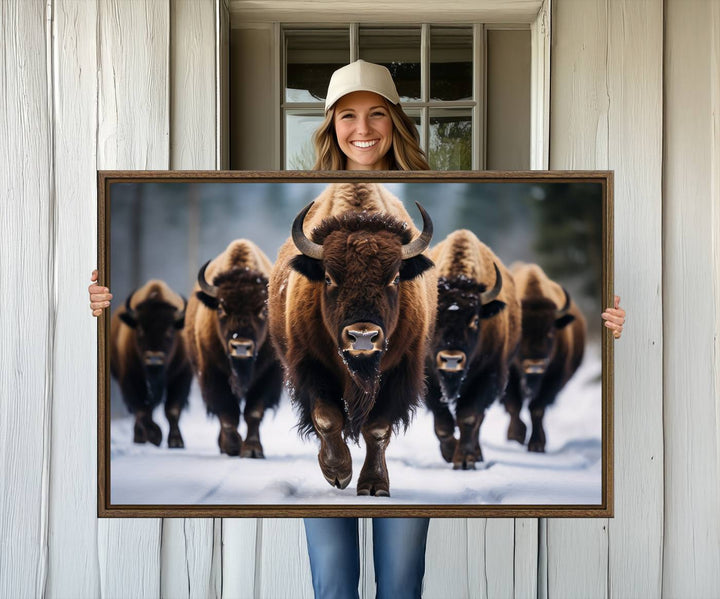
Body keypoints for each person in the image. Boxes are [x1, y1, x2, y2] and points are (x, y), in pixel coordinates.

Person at [88, 60, 626, 598]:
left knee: (401, 579)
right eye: (347, 116)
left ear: (396, 120)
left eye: (376, 115)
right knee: (332, 578)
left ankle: (377, 449)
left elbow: (412, 357)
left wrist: (610, 317)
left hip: (389, 347)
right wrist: (101, 301)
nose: (362, 130)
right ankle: (327, 425)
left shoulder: (414, 230)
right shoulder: (304, 221)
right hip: (324, 341)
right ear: (329, 125)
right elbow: (297, 355)